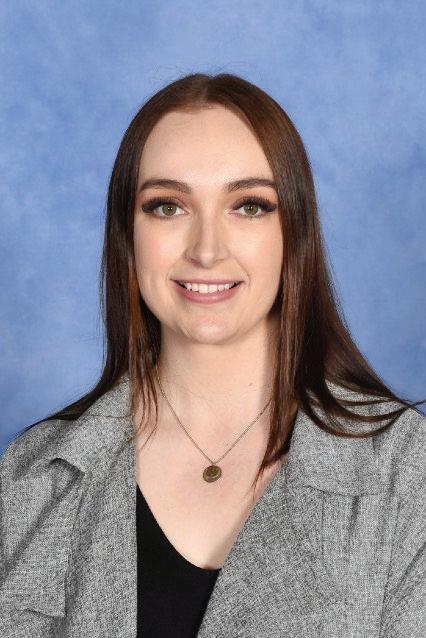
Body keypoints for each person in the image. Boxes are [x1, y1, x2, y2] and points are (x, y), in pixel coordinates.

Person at [0, 73, 425, 638]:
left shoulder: (407, 472)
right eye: (167, 207)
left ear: (294, 232)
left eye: (248, 206)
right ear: (128, 234)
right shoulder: (29, 478)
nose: (206, 250)